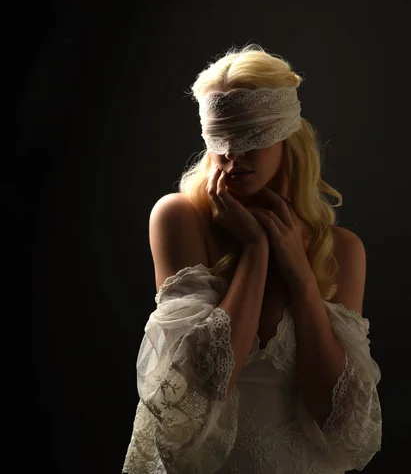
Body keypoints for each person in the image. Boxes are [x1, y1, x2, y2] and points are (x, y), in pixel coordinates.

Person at [122, 44, 382, 474]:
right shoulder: (180, 218)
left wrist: (300, 276)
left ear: (287, 139)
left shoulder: (340, 249)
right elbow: (207, 383)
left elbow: (341, 419)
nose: (232, 156)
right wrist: (257, 251)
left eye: (250, 139)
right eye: (220, 141)